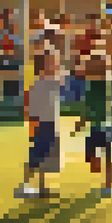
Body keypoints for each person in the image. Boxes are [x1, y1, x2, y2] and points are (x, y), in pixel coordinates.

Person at [69, 50, 112, 196]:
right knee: (91, 156)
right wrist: (81, 122)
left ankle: (110, 186)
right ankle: (96, 163)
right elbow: (87, 107)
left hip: (108, 126)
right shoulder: (89, 86)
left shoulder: (108, 84)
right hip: (94, 128)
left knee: (110, 157)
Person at [20, 50, 63, 198]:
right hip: (42, 125)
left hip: (50, 124)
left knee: (46, 158)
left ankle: (42, 187)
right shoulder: (41, 84)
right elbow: (30, 109)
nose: (56, 65)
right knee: (37, 157)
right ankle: (24, 186)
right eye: (52, 62)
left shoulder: (50, 82)